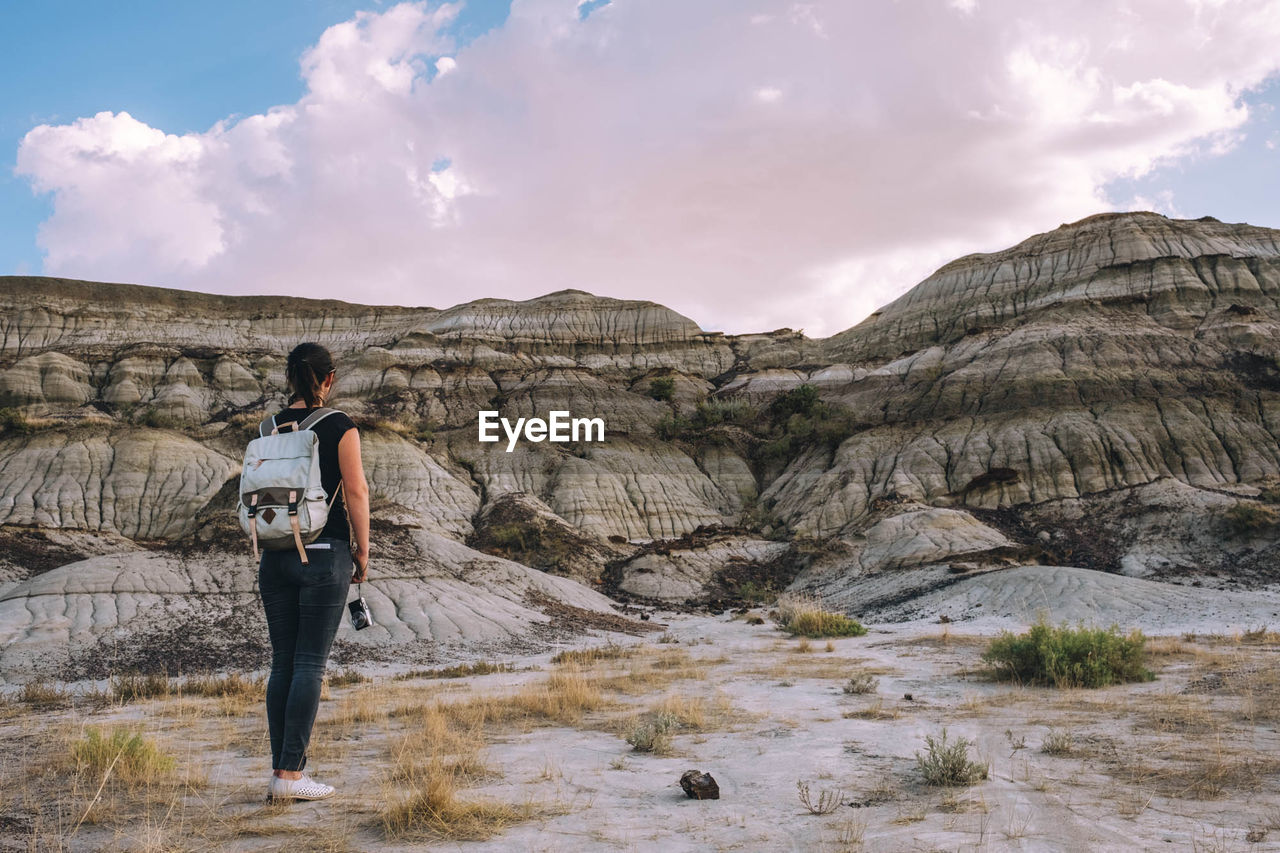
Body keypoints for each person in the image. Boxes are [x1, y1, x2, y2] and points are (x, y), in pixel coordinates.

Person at [259, 342, 370, 802]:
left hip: (275, 553)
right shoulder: (339, 425)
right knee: (309, 664)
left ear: (290, 378)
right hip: (325, 552)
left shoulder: (267, 427)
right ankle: (289, 778)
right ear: (328, 379)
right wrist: (363, 552)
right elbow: (357, 491)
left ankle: (282, 772)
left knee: (283, 662)